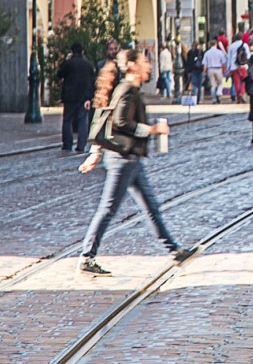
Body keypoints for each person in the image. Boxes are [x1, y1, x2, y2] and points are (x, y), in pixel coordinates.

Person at [76, 48, 199, 275]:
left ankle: (174, 251)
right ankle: (86, 256)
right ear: (132, 65)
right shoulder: (127, 91)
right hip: (123, 159)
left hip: (130, 159)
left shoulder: (129, 89)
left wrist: (96, 151)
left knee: (151, 206)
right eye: (144, 61)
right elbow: (120, 122)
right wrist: (152, 129)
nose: (148, 66)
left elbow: (110, 119)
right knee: (108, 208)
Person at [56, 42, 94, 153]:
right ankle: (81, 145)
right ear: (82, 51)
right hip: (83, 97)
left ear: (72, 52)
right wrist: (89, 97)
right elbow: (92, 81)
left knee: (67, 120)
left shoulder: (69, 63)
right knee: (83, 120)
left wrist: (66, 61)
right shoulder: (88, 64)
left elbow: (60, 74)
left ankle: (67, 144)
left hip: (70, 97)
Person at [202, 37, 227, 104]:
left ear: (210, 45)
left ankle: (214, 99)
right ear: (216, 44)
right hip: (218, 68)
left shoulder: (207, 53)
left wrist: (204, 72)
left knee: (212, 85)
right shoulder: (220, 52)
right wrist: (224, 70)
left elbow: (205, 64)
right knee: (221, 83)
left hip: (210, 69)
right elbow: (223, 62)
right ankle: (219, 92)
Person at [227, 31, 248, 105]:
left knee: (237, 82)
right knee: (244, 81)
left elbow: (228, 57)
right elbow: (247, 56)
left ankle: (238, 97)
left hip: (234, 67)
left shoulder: (231, 46)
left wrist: (228, 68)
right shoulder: (245, 45)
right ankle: (242, 92)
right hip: (243, 66)